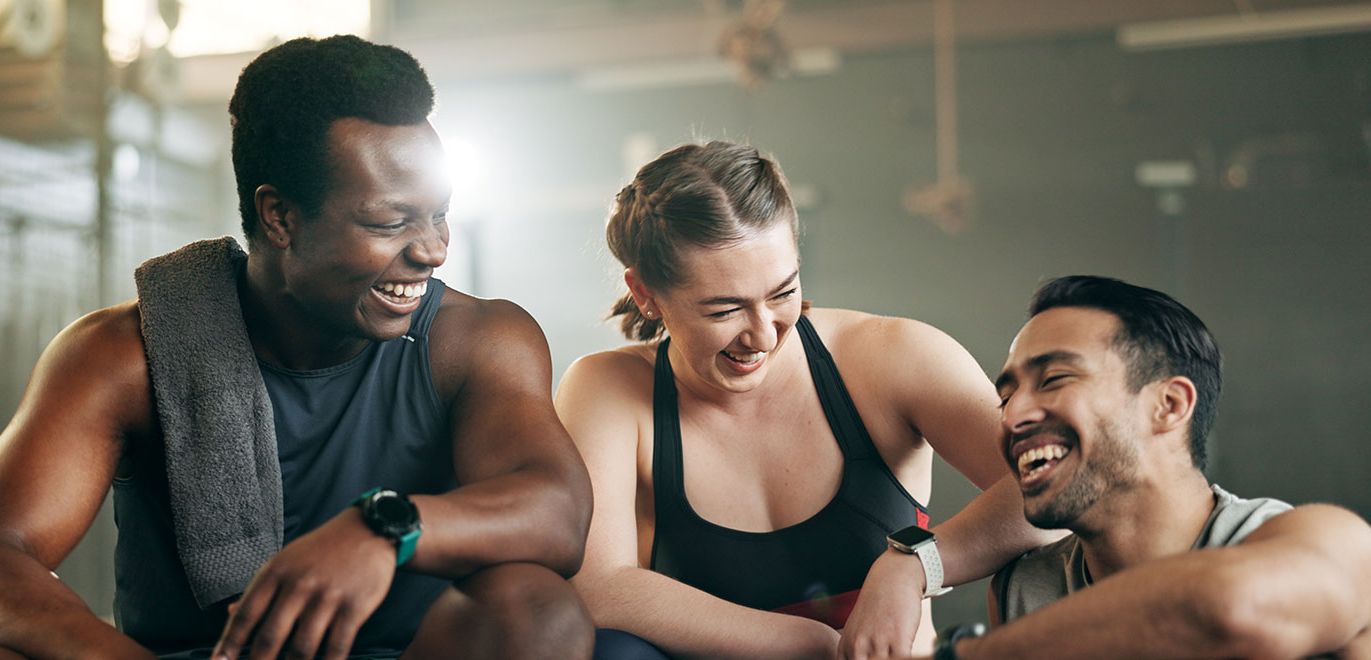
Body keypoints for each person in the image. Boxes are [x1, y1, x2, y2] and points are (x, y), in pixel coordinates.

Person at [0, 35, 594, 660]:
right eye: (390, 222)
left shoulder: (475, 339)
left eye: (438, 214)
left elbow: (557, 512)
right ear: (280, 217)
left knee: (535, 609)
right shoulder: (123, 355)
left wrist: (382, 528)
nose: (433, 250)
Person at [554, 141, 1059, 660]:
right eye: (724, 311)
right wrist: (812, 644)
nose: (762, 335)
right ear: (646, 295)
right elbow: (599, 586)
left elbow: (1059, 486)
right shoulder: (607, 389)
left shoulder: (891, 355)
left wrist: (913, 565)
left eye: (782, 293)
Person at [915, 275, 1371, 660]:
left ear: (1168, 405)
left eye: (1054, 379)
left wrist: (967, 654)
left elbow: (1230, 612)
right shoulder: (1023, 590)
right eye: (1006, 397)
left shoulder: (1326, 542)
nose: (1012, 416)